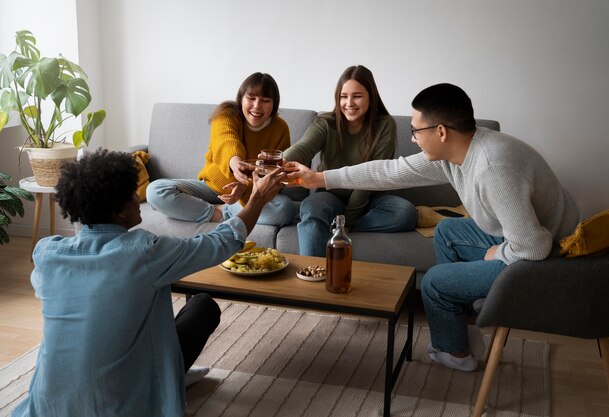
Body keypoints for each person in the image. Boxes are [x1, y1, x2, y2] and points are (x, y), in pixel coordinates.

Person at [284, 83, 581, 371]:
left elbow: (534, 247)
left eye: (415, 131)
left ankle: (454, 353)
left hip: (549, 255)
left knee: (434, 281)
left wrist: (498, 252)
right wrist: (320, 179)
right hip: (527, 238)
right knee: (448, 232)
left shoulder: (493, 168)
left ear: (441, 131)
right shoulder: (457, 151)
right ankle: (461, 335)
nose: (412, 138)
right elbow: (390, 172)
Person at [12, 149, 286, 417]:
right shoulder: (144, 253)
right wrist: (258, 198)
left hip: (48, 408)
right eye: (133, 194)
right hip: (126, 406)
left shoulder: (47, 254)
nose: (138, 198)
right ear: (119, 211)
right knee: (203, 307)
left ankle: (173, 372)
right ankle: (170, 377)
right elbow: (222, 241)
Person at [283, 65, 416, 256]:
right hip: (330, 195)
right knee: (312, 207)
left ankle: (332, 225)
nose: (349, 102)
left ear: (371, 97)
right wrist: (279, 161)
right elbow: (303, 148)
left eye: (357, 96)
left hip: (369, 197)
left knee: (405, 212)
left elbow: (372, 176)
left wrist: (349, 220)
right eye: (343, 96)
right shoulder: (325, 122)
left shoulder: (385, 125)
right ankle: (311, 276)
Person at [146, 72, 296, 227]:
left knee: (284, 209)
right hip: (211, 187)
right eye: (251, 98)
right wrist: (235, 163)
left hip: (251, 194)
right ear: (241, 99)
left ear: (274, 104)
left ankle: (216, 210)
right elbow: (226, 140)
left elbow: (274, 174)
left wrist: (244, 187)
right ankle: (218, 213)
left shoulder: (280, 127)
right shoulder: (226, 114)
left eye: (265, 100)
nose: (257, 106)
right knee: (155, 190)